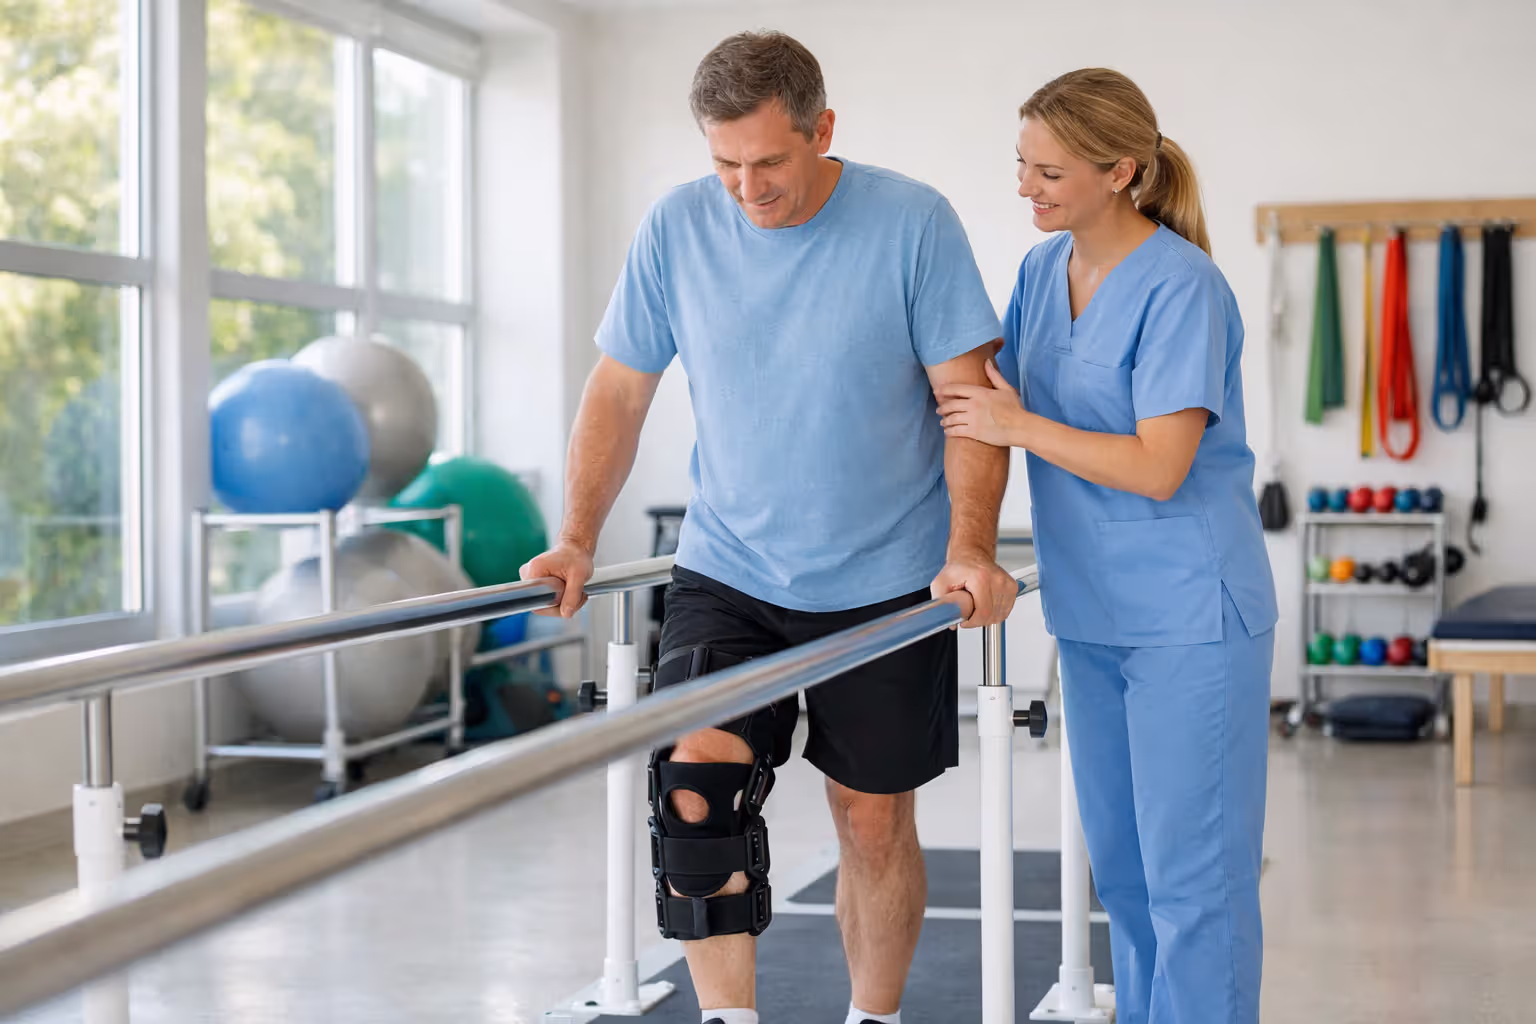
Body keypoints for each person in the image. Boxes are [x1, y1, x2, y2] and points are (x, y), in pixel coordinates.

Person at [520, 31, 1015, 1024]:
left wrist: (970, 546)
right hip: (729, 569)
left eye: (769, 162)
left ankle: (872, 1016)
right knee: (694, 794)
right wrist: (577, 535)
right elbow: (618, 391)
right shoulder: (676, 230)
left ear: (821, 129)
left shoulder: (912, 223)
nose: (746, 187)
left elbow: (970, 402)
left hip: (887, 578)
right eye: (724, 163)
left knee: (871, 824)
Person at [935, 69, 1279, 1024]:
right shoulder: (1042, 274)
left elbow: (1160, 465)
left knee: (1194, 882)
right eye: (1020, 165)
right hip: (1091, 612)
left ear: (1122, 171)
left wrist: (1017, 426)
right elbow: (990, 399)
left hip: (1190, 617)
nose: (1025, 188)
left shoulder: (1183, 286)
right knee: (1121, 873)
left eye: (1048, 171)